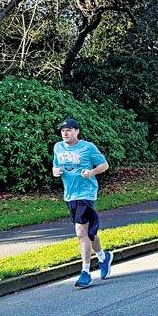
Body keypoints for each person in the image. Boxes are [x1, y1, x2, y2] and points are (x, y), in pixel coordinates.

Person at [52, 118, 113, 288]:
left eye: (69, 130)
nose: (65, 133)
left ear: (77, 131)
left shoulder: (88, 147)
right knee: (87, 233)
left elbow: (104, 164)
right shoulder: (58, 147)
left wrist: (92, 171)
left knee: (80, 233)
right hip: (69, 194)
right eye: (63, 130)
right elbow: (55, 166)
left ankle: (85, 272)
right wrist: (55, 171)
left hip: (86, 193)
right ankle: (103, 257)